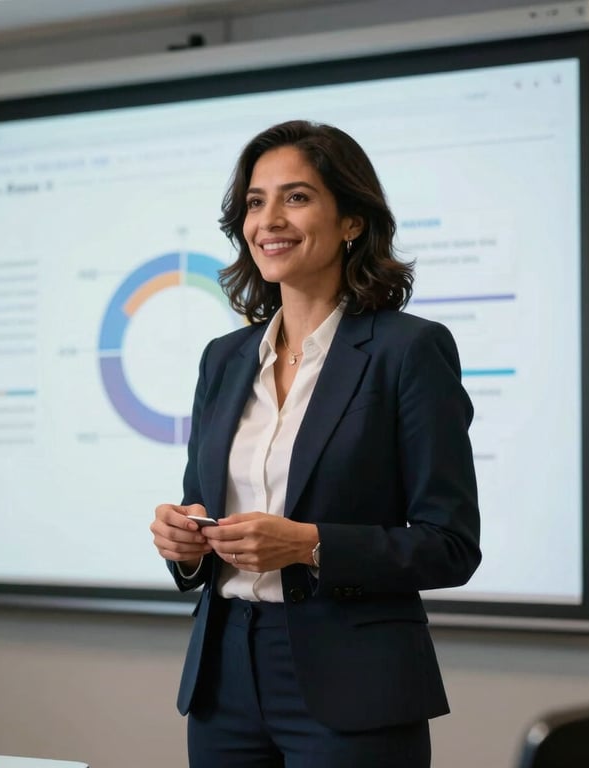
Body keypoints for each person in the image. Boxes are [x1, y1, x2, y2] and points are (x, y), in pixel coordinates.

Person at [150, 119, 481, 768]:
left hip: (353, 681)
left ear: (351, 220)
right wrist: (184, 541)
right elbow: (200, 504)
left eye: (296, 197)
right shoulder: (223, 359)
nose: (269, 220)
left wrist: (308, 544)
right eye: (255, 202)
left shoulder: (408, 351)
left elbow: (450, 546)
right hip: (224, 676)